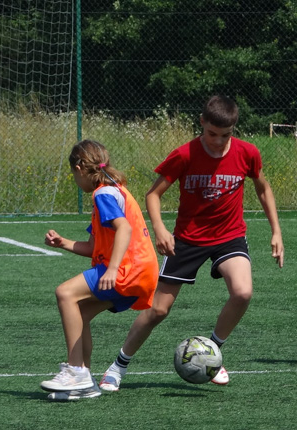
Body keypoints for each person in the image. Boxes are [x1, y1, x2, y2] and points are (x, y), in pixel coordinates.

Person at [100, 95, 284, 392]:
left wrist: (276, 231)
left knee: (243, 292)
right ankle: (118, 366)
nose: (218, 141)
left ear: (234, 129)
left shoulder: (247, 153)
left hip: (229, 235)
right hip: (187, 240)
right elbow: (153, 194)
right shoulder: (185, 154)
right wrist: (160, 229)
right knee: (158, 310)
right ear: (201, 123)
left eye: (225, 135)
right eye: (212, 133)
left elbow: (262, 188)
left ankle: (211, 352)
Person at [39, 140, 159, 401]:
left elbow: (124, 229)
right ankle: (84, 382)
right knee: (79, 311)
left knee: (65, 293)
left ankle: (76, 371)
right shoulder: (114, 190)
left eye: (73, 174)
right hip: (143, 273)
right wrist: (64, 243)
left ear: (80, 168)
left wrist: (112, 269)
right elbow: (94, 247)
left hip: (129, 270)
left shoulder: (102, 194)